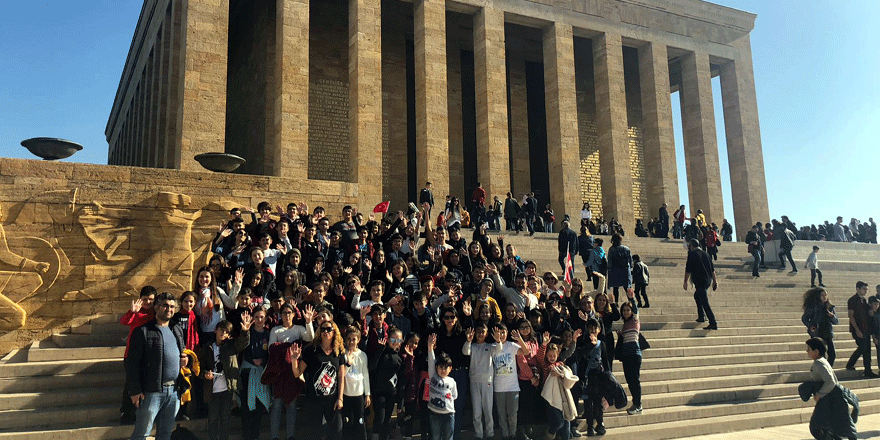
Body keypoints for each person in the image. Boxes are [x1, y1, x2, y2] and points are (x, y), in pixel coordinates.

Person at [125, 292, 188, 440]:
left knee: (165, 434)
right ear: (157, 307)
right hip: (151, 392)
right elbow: (132, 363)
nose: (169, 309)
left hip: (173, 391)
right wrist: (135, 390)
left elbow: (182, 353)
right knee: (142, 433)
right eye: (165, 305)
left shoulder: (176, 329)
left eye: (172, 306)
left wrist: (186, 361)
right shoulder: (143, 331)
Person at [289, 321, 346, 440]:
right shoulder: (311, 349)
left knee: (337, 432)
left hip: (332, 400)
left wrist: (340, 398)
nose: (326, 332)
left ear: (334, 331)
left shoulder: (338, 351)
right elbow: (297, 373)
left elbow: (341, 376)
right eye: (323, 329)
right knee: (316, 435)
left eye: (329, 329)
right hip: (314, 400)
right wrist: (294, 360)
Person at [199, 317, 251, 440]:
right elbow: (200, 369)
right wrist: (205, 374)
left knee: (225, 418)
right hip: (212, 389)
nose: (224, 334)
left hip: (227, 388)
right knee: (212, 418)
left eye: (227, 332)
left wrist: (244, 332)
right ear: (215, 330)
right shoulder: (207, 348)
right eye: (221, 330)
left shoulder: (231, 346)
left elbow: (242, 343)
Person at [463, 323, 501, 440]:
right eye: (478, 331)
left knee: (488, 409)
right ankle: (478, 434)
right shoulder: (472, 346)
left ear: (486, 334)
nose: (480, 334)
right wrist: (468, 340)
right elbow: (465, 351)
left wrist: (498, 340)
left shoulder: (490, 346)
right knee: (477, 411)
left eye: (482, 331)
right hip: (474, 381)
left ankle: (490, 433)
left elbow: (498, 350)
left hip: (487, 382)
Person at [426, 333, 458, 440]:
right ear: (436, 367)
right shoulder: (433, 376)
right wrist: (430, 347)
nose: (443, 370)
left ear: (450, 369)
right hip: (434, 413)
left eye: (446, 367)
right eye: (440, 367)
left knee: (448, 437)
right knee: (435, 437)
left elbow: (454, 396)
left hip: (448, 414)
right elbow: (431, 360)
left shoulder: (452, 381)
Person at [684, 238, 718, 330]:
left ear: (692, 246)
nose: (688, 248)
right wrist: (715, 281)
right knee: (697, 296)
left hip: (700, 281)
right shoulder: (706, 254)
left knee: (704, 301)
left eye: (689, 246)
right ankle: (701, 316)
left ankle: (713, 322)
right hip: (707, 280)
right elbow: (712, 270)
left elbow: (688, 270)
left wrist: (685, 282)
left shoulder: (692, 254)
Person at [617, 291, 643, 415]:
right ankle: (635, 403)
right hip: (626, 355)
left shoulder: (634, 320)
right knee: (629, 380)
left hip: (634, 354)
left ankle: (638, 404)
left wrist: (632, 298)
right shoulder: (626, 324)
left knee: (634, 380)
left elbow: (636, 310)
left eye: (628, 310)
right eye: (624, 310)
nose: (626, 312)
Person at [845, 281, 877, 377]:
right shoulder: (852, 300)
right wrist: (857, 330)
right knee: (863, 347)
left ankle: (868, 370)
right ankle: (850, 364)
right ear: (858, 289)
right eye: (864, 289)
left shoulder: (864, 301)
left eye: (866, 289)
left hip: (866, 329)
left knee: (867, 350)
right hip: (857, 329)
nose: (865, 291)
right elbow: (851, 316)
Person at [802, 287, 839, 366]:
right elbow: (804, 318)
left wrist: (832, 316)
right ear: (818, 296)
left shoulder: (830, 307)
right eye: (823, 295)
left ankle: (827, 369)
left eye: (826, 295)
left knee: (832, 354)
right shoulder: (812, 307)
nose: (825, 297)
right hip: (817, 332)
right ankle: (822, 370)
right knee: (821, 355)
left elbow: (836, 321)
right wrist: (810, 326)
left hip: (828, 332)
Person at [606, 234, 632, 304]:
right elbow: (630, 260)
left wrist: (609, 269)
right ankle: (631, 301)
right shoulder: (626, 249)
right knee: (626, 287)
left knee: (615, 288)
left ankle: (616, 302)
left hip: (615, 271)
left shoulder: (611, 249)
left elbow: (610, 261)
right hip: (625, 271)